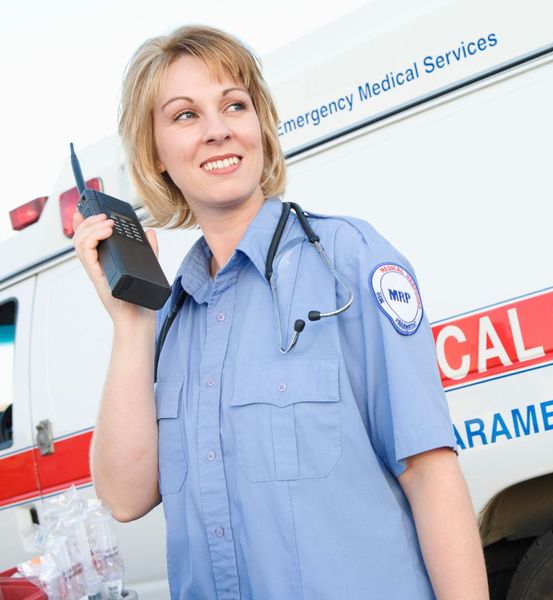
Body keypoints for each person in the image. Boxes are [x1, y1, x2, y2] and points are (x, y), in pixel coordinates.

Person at [73, 25, 489, 600]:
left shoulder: (349, 259)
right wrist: (130, 323)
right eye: (186, 115)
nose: (218, 130)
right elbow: (124, 498)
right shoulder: (169, 320)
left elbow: (429, 472)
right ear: (156, 155)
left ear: (260, 127)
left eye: (234, 106)